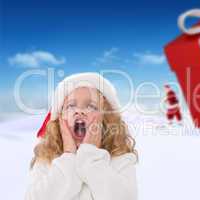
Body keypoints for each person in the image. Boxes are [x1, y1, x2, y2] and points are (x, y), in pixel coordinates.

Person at [25, 72, 138, 200]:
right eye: (71, 106)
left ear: (106, 118)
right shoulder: (47, 158)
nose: (79, 111)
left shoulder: (120, 158)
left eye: (91, 106)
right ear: (60, 120)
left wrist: (91, 156)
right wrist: (69, 156)